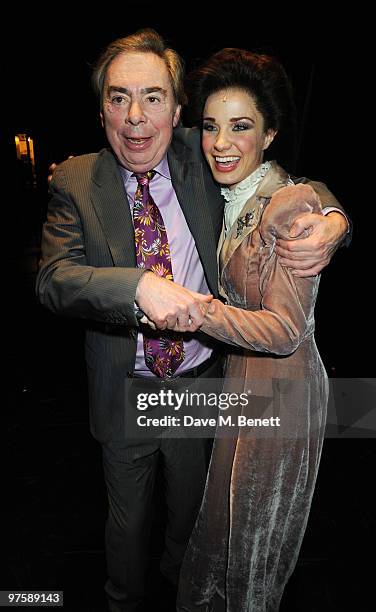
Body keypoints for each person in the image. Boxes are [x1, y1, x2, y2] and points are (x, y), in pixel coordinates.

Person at [36, 30, 348, 612]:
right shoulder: (75, 179)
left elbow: (282, 174)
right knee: (126, 538)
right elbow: (52, 278)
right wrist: (139, 287)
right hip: (124, 391)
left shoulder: (202, 150)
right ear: (100, 105)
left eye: (153, 97)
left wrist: (333, 217)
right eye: (118, 96)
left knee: (195, 523)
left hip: (205, 388)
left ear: (176, 110)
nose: (135, 118)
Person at [174, 49, 340, 612]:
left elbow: (285, 331)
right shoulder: (234, 195)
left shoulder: (291, 205)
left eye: (240, 127)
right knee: (220, 529)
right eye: (212, 126)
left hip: (285, 391)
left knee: (254, 550)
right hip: (241, 385)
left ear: (269, 135)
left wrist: (197, 310)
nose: (221, 143)